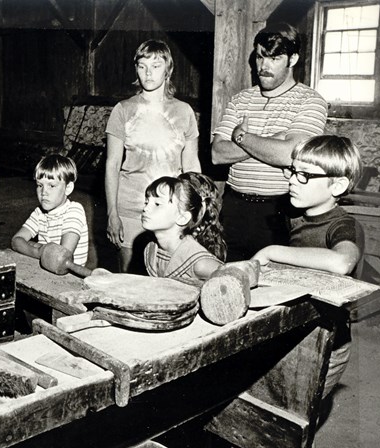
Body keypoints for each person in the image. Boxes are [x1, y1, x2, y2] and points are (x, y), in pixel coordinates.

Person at [252, 134, 364, 448]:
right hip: (301, 336)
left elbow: (342, 261)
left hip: (329, 346)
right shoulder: (295, 215)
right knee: (283, 420)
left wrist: (274, 252)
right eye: (291, 171)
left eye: (305, 176)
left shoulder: (344, 225)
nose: (293, 182)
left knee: (296, 425)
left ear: (337, 185)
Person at [211, 22, 328, 262]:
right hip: (234, 209)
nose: (264, 66)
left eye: (274, 58)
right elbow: (218, 154)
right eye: (260, 57)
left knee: (274, 288)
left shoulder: (310, 101)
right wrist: (274, 140)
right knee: (227, 280)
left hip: (279, 211)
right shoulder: (240, 99)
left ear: (292, 59)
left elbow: (289, 154)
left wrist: (241, 137)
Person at [105, 39, 201, 273]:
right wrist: (112, 213)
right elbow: (112, 165)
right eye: (142, 65)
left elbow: (191, 165)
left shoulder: (184, 111)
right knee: (128, 281)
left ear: (168, 70)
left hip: (171, 212)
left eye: (156, 66)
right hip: (131, 209)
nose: (148, 73)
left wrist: (197, 210)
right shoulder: (123, 110)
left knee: (169, 278)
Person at [142, 173, 225, 284]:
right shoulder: (152, 250)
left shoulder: (199, 263)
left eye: (157, 204)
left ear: (182, 218)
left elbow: (235, 279)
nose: (146, 208)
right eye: (146, 202)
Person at [11, 155, 89, 265]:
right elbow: (16, 241)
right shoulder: (39, 213)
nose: (44, 192)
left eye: (51, 186)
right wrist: (38, 252)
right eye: (39, 185)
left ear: (68, 188)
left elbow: (62, 255)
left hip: (69, 279)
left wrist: (35, 247)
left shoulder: (74, 210)